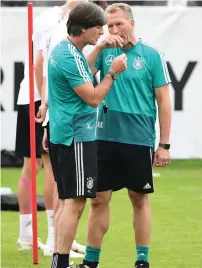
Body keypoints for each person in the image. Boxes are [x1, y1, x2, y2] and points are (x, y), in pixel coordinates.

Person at [77, 3, 172, 268]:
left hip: (138, 138)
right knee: (98, 200)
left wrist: (163, 144)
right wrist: (99, 47)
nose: (115, 29)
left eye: (119, 23)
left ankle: (142, 260)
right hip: (103, 137)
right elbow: (82, 73)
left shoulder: (152, 55)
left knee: (139, 198)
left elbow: (164, 101)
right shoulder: (105, 51)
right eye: (110, 25)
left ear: (132, 23)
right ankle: (90, 262)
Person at [47, 2, 127, 268]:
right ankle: (61, 262)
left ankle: (58, 261)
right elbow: (93, 98)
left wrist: (101, 47)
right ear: (83, 29)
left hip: (63, 134)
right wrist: (113, 72)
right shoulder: (69, 56)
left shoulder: (66, 49)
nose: (101, 33)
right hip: (77, 136)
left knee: (66, 202)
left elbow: (85, 69)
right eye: (98, 28)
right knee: (76, 204)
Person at [15, 0, 84, 257]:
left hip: (43, 95)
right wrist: (46, 99)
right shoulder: (51, 19)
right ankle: (44, 238)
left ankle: (55, 237)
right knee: (42, 164)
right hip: (39, 95)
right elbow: (39, 61)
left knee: (46, 166)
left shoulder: (69, 18)